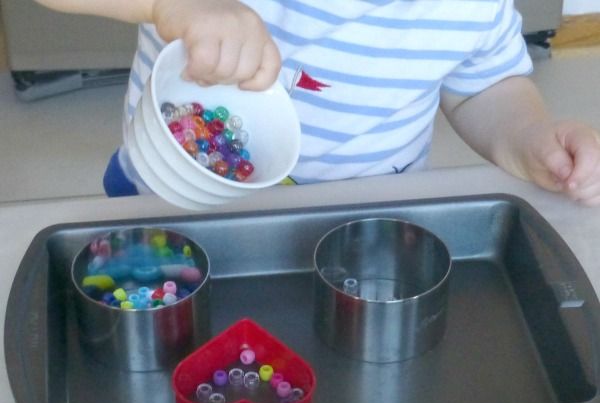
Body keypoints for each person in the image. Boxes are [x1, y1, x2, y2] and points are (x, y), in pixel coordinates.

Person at [35, 0, 600, 205]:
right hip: (171, 204)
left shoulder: (471, 7)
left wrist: (531, 140)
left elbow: (487, 87)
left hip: (359, 227)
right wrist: (173, 3)